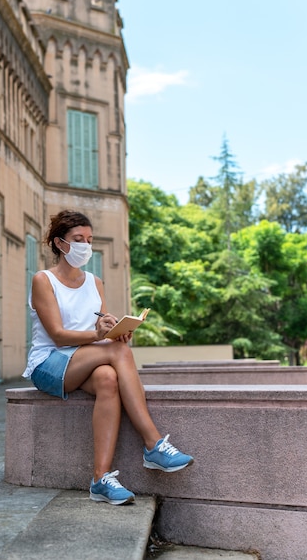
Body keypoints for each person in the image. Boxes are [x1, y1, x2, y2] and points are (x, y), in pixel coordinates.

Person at [22, 210, 193, 506]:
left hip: (85, 360)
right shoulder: (43, 280)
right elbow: (60, 335)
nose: (85, 246)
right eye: (78, 239)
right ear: (60, 243)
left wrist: (113, 330)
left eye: (89, 239)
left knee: (108, 378)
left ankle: (100, 479)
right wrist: (101, 338)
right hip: (49, 363)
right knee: (117, 352)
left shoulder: (95, 282)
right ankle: (153, 444)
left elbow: (96, 329)